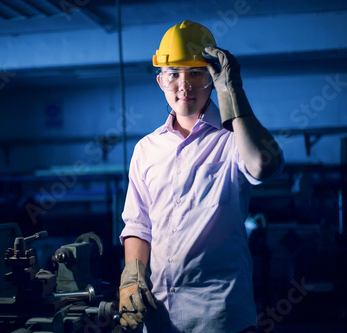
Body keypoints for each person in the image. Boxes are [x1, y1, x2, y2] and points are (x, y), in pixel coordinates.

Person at [118, 20, 283, 332]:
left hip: (221, 317)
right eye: (174, 74)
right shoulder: (146, 150)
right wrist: (131, 278)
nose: (184, 85)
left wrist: (232, 92)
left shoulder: (233, 138)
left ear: (213, 78)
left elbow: (263, 163)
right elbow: (139, 225)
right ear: (160, 80)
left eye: (195, 72)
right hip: (159, 316)